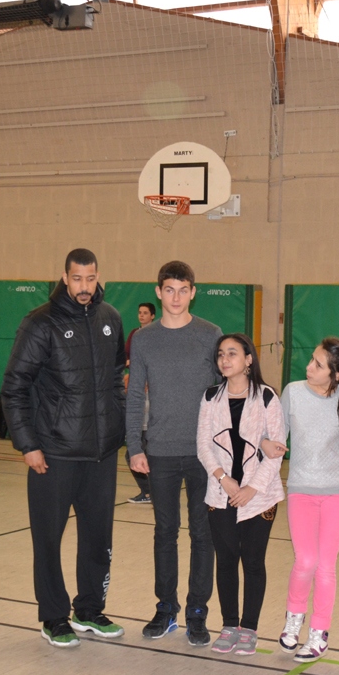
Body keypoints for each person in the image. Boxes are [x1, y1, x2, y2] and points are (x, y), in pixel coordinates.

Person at [2, 248, 127, 648]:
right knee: (48, 539)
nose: (84, 287)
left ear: (97, 277)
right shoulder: (40, 323)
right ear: (64, 277)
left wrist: (118, 429)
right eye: (77, 280)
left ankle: (89, 610)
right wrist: (28, 445)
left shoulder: (111, 319)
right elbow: (14, 387)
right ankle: (53, 616)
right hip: (53, 454)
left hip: (100, 454)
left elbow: (115, 380)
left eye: (90, 279)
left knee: (97, 537)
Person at [126, 263, 223, 644]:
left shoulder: (209, 335)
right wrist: (135, 447)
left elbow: (224, 395)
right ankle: (166, 608)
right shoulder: (144, 338)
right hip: (161, 451)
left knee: (203, 534)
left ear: (193, 292)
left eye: (183, 290)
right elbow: (135, 395)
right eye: (169, 290)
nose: (176, 297)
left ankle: (198, 611)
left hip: (204, 455)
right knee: (165, 532)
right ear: (159, 291)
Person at [266, 338, 339, 662]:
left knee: (326, 566)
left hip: (338, 492)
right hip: (301, 488)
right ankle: (294, 618)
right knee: (305, 560)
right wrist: (267, 443)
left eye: (318, 364)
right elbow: (275, 432)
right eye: (311, 359)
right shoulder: (293, 391)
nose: (310, 367)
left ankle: (319, 632)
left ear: (336, 374)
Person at [197, 334, 284, 657]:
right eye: (220, 354)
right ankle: (230, 624)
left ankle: (249, 628)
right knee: (227, 560)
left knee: (253, 561)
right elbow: (203, 445)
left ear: (249, 360)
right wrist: (225, 480)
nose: (224, 359)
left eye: (232, 353)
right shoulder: (209, 397)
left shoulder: (266, 398)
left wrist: (251, 488)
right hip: (221, 494)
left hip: (259, 496)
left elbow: (276, 448)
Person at [124, 301, 156, 505]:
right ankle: (149, 492)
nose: (141, 316)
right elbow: (127, 358)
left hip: (153, 400)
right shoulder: (135, 335)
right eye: (139, 312)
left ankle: (153, 492)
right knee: (133, 453)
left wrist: (149, 379)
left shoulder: (157, 334)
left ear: (153, 316)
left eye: (145, 313)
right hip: (138, 392)